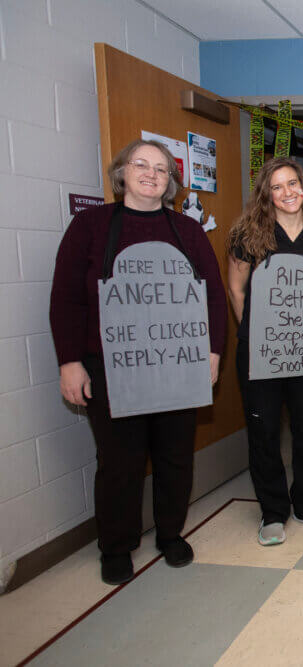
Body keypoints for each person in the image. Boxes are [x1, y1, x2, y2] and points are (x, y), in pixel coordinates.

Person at [49, 139, 227, 585]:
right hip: (111, 367)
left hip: (178, 361)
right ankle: (116, 545)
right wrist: (70, 361)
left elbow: (212, 295)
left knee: (174, 456)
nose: (151, 174)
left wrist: (213, 351)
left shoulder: (186, 230)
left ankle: (170, 534)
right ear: (122, 172)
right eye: (141, 165)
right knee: (120, 460)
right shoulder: (90, 226)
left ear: (171, 182)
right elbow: (67, 298)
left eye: (161, 169)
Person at [227, 157, 303, 546]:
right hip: (261, 354)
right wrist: (256, 334)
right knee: (263, 431)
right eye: (277, 187)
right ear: (266, 193)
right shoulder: (248, 234)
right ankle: (273, 511)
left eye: (292, 183)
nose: (287, 192)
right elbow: (237, 289)